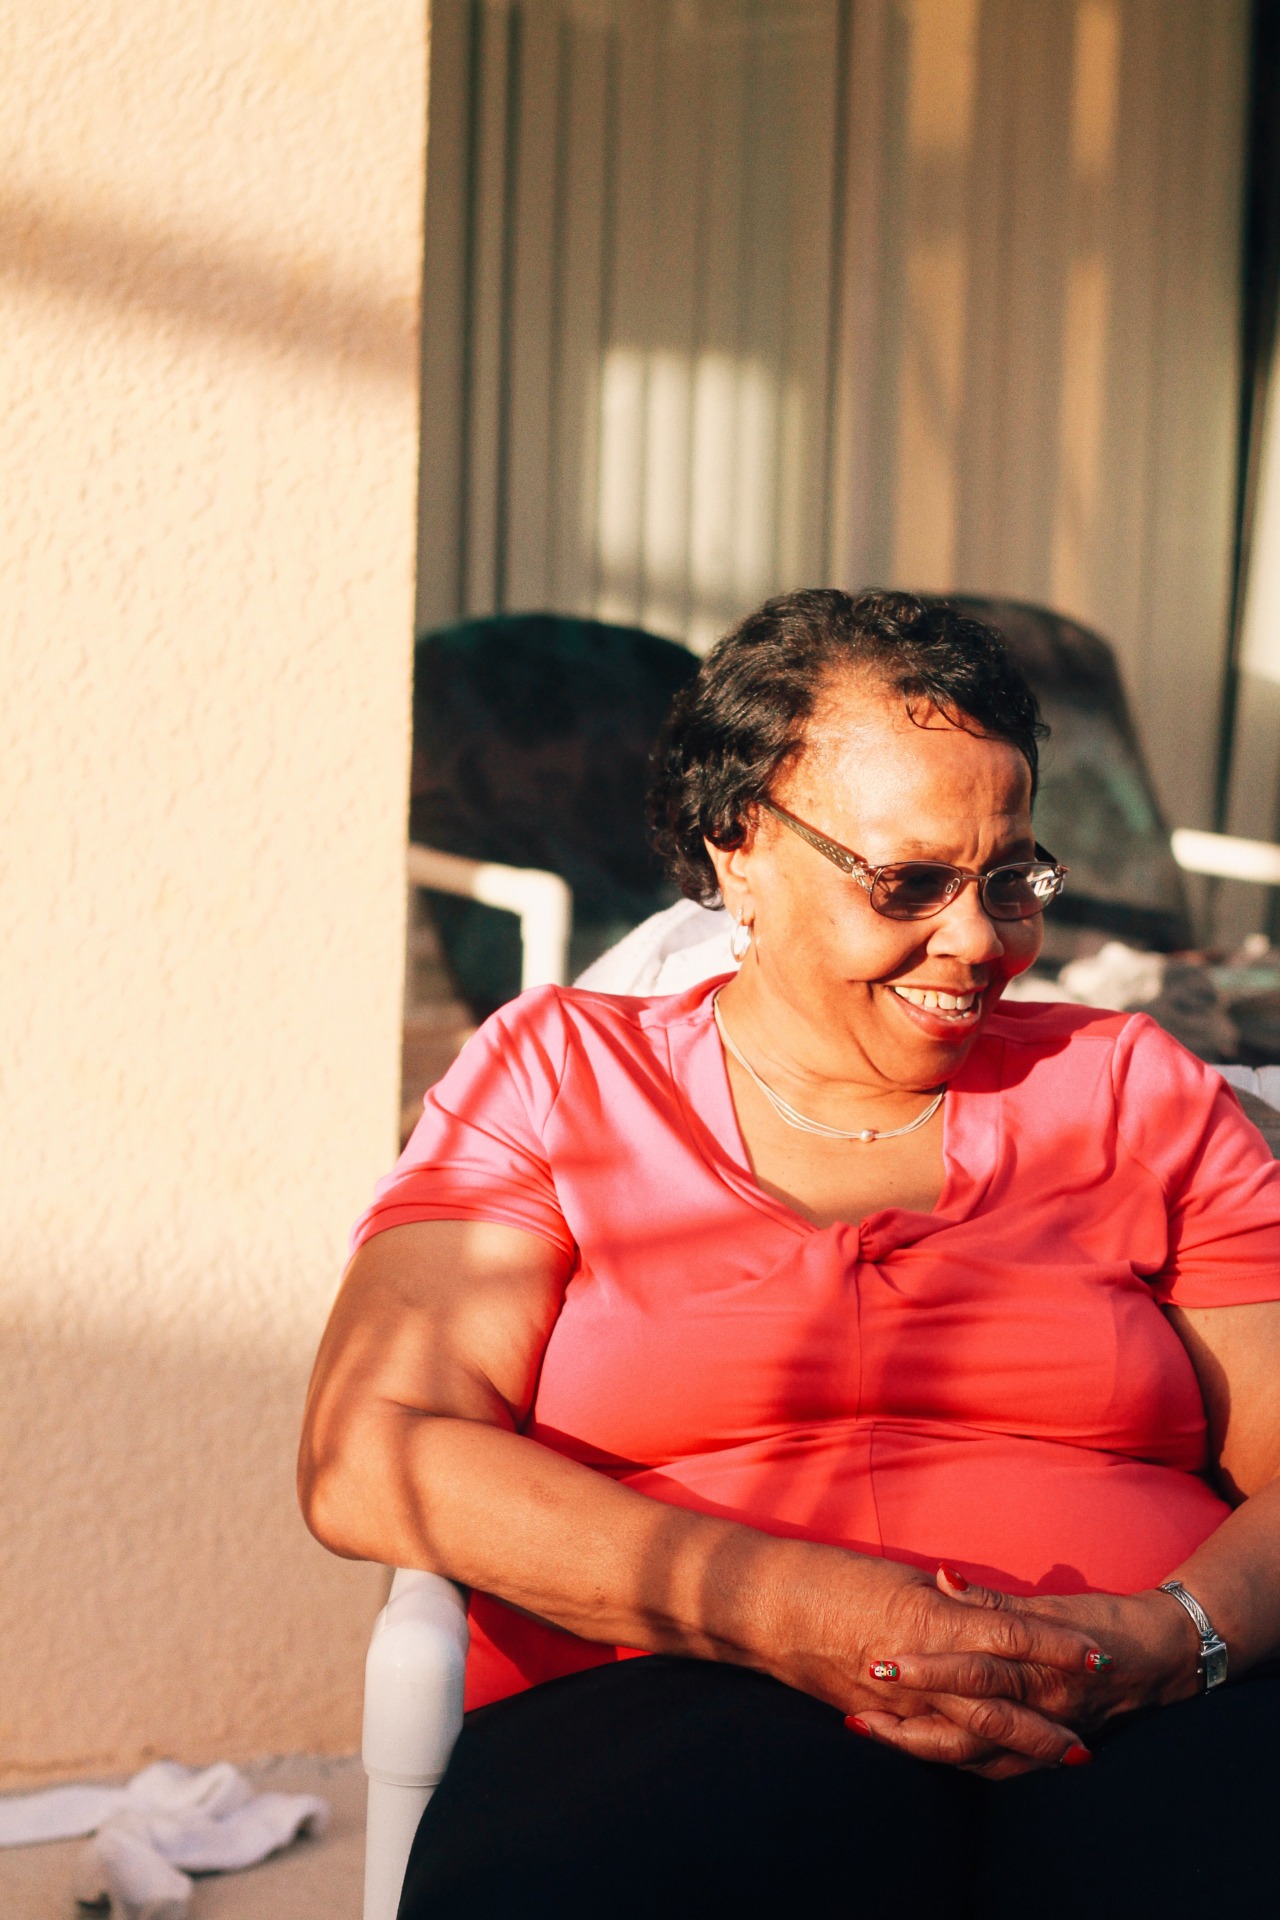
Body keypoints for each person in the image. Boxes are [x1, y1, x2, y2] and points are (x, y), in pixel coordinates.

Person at [299, 591, 1280, 1919]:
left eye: (1012, 877)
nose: (980, 940)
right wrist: (804, 1614)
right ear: (739, 845)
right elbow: (373, 1449)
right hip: (674, 1692)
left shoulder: (1132, 1089)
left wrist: (1177, 1641)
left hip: (1139, 1704)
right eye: (911, 881)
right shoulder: (561, 1076)